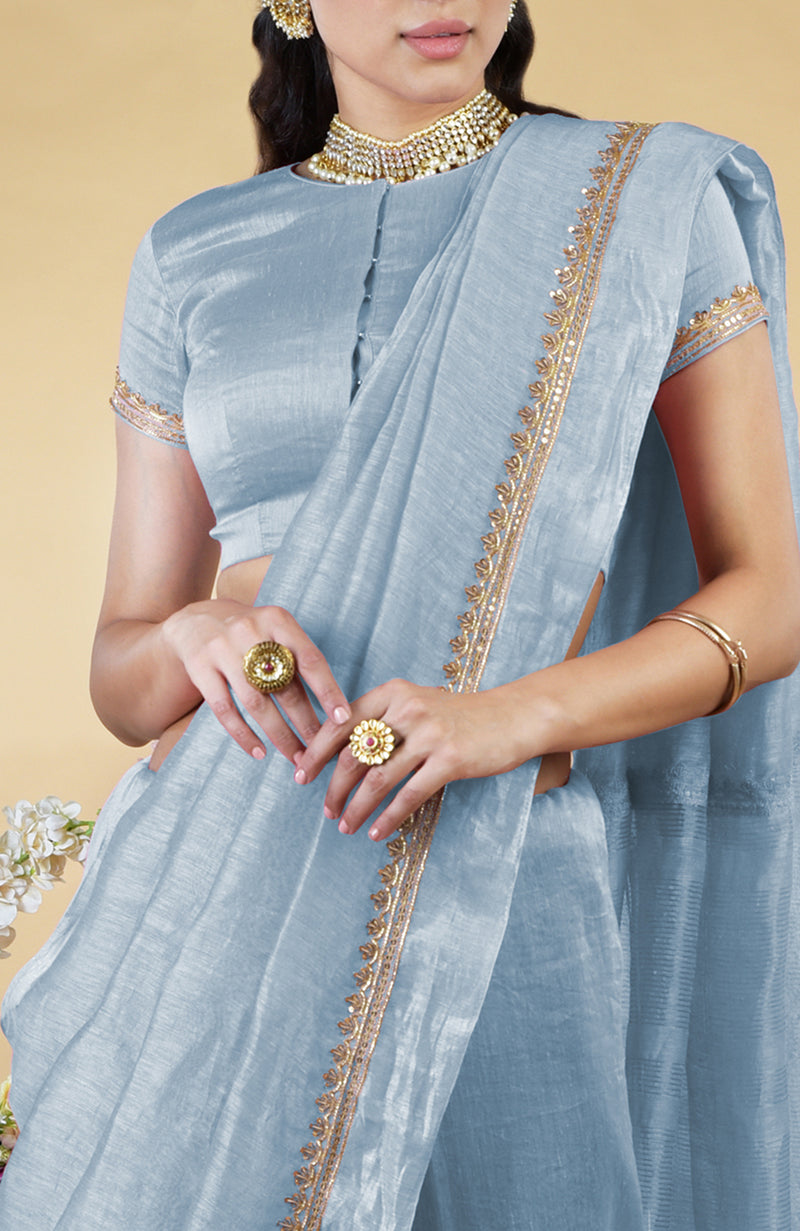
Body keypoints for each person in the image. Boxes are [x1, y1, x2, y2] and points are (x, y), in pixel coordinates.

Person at [0, 1, 798, 1227]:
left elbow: (770, 590)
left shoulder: (630, 206)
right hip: (218, 872)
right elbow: (121, 677)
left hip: (506, 859)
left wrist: (508, 718)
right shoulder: (194, 251)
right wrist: (188, 637)